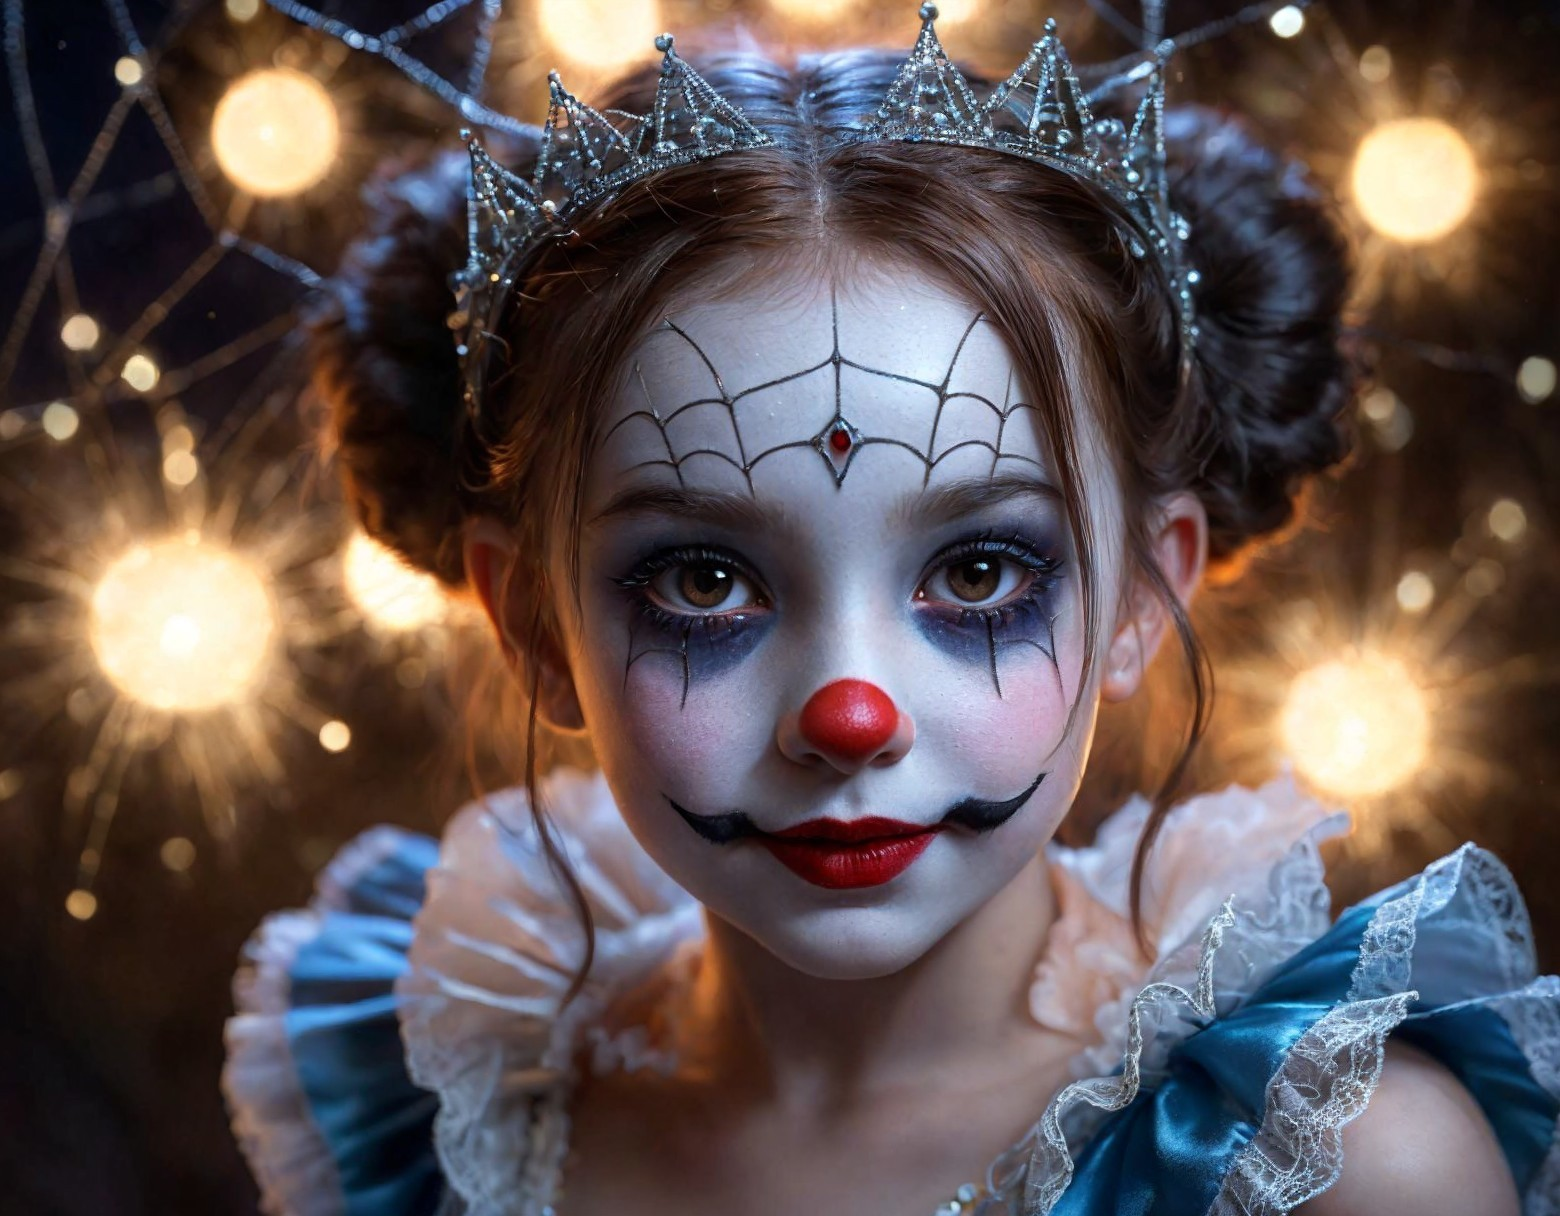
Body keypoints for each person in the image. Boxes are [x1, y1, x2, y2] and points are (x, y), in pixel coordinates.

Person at [221, 8, 1560, 1215]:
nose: (847, 715)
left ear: (1148, 588)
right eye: (703, 581)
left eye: (979, 572)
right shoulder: (445, 1131)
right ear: (533, 626)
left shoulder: (1329, 1168)